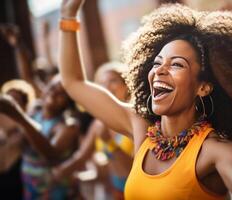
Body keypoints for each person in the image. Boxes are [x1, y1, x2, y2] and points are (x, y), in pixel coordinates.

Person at [59, 1, 232, 199]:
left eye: (177, 64)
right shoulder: (140, 127)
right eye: (157, 63)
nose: (160, 71)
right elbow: (73, 82)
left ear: (203, 87)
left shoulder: (217, 152)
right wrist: (68, 14)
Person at [53, 62, 134, 199]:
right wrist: (59, 172)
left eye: (112, 81)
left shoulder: (135, 119)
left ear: (127, 85)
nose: (107, 87)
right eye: (101, 84)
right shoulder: (99, 122)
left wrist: (109, 143)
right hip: (117, 192)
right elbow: (81, 157)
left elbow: (132, 170)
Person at [0, 75, 81, 200]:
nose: (54, 93)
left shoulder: (68, 127)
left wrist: (20, 117)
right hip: (30, 186)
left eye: (62, 94)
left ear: (70, 102)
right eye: (52, 87)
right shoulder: (35, 111)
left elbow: (50, 154)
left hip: (54, 191)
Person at [0, 79, 35, 200]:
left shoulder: (28, 135)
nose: (9, 104)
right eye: (7, 99)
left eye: (15, 101)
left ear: (24, 107)